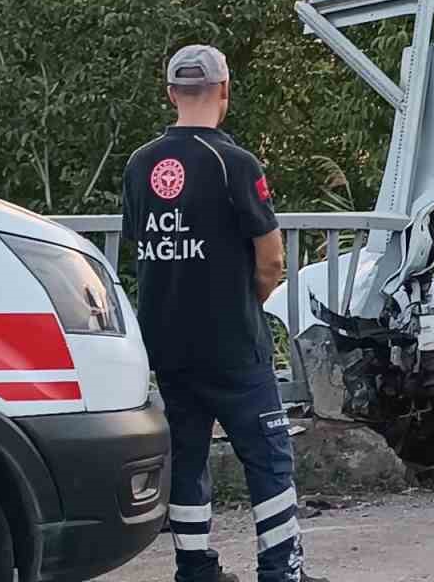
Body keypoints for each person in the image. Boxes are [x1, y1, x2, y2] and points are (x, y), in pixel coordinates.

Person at [121, 44, 326, 582]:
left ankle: (195, 570)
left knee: (187, 459)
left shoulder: (140, 164)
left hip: (167, 344)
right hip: (232, 344)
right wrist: (243, 303)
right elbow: (271, 259)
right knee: (268, 457)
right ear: (225, 91)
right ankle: (280, 571)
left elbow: (144, 246)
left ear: (171, 93)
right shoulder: (234, 162)